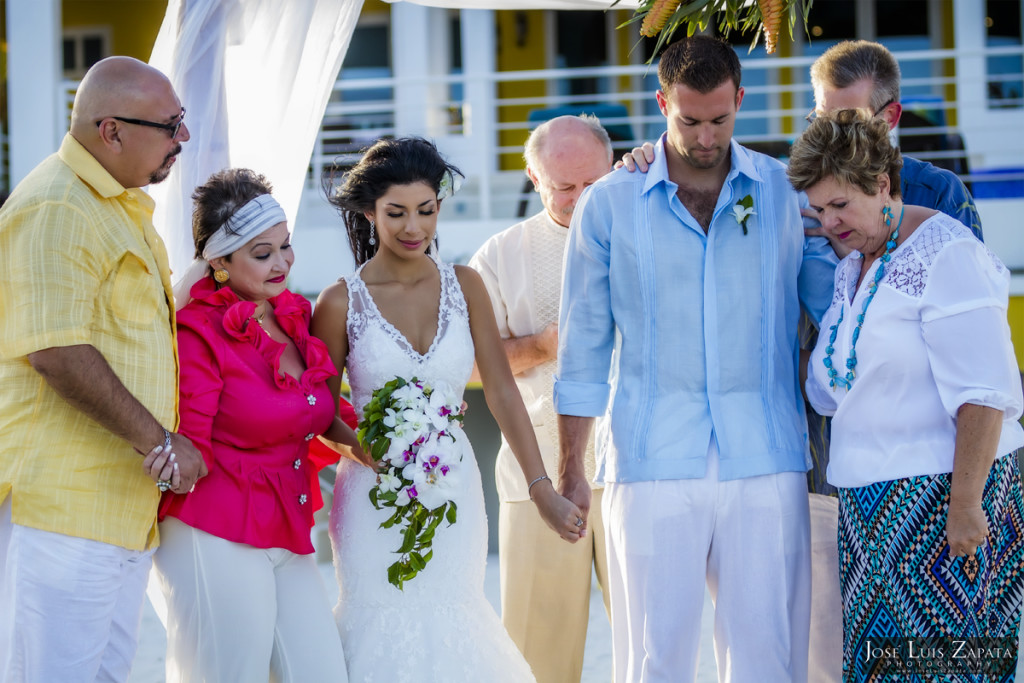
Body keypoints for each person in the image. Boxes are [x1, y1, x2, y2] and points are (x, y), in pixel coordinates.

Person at [555, 35, 836, 683]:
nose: (705, 138)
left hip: (765, 455)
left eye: (719, 119)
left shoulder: (783, 194)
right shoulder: (609, 204)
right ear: (662, 103)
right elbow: (584, 348)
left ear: (740, 99)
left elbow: (835, 308)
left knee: (767, 655)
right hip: (650, 455)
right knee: (653, 660)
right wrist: (572, 468)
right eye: (688, 121)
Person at [311, 136, 585, 682]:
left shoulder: (467, 286)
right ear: (370, 212)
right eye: (396, 214)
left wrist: (541, 490)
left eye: (426, 210)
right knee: (379, 623)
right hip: (372, 496)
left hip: (454, 488)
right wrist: (358, 446)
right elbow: (317, 409)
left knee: (458, 618)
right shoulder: (340, 302)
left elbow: (504, 392)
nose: (413, 228)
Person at [787, 108, 1024, 681]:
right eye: (819, 210)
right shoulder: (854, 267)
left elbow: (986, 394)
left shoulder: (946, 253)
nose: (830, 222)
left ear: (883, 183)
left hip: (944, 500)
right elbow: (833, 390)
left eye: (840, 205)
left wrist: (965, 506)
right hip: (871, 514)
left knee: (953, 669)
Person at [0, 56, 206, 682]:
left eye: (182, 121)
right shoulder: (58, 205)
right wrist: (164, 446)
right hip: (62, 509)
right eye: (170, 125)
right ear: (110, 130)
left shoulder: (117, 205)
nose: (184, 138)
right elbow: (57, 351)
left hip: (117, 507)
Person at [146, 168, 367, 682]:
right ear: (219, 262)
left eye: (285, 247)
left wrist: (388, 444)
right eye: (262, 253)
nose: (282, 263)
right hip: (214, 528)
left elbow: (326, 410)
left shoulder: (291, 314)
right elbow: (189, 445)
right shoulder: (197, 333)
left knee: (322, 673)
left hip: (285, 522)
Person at [468, 114, 613, 683]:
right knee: (537, 657)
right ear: (533, 177)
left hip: (637, 473)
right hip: (537, 481)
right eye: (564, 188)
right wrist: (544, 344)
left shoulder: (643, 236)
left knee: (649, 646)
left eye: (593, 185)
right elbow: (471, 365)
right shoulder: (498, 255)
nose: (581, 200)